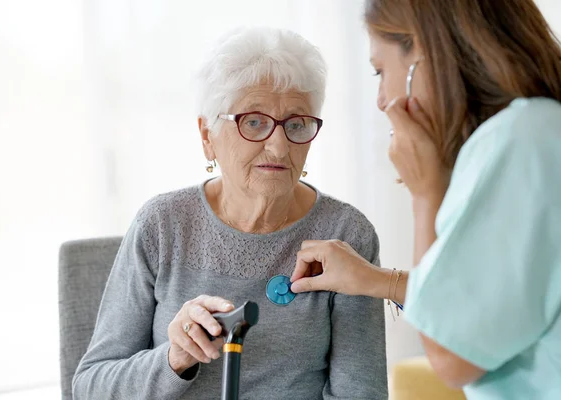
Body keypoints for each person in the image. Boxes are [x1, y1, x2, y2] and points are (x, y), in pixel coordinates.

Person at [72, 27, 388, 399]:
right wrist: (174, 359)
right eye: (253, 121)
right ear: (208, 136)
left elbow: (361, 394)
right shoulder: (161, 226)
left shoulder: (346, 235)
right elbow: (90, 387)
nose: (278, 146)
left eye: (296, 124)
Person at [289, 1, 561, 399]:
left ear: (423, 52)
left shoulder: (519, 140)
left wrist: (426, 195)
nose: (382, 99)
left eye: (380, 71)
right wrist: (378, 281)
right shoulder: (539, 128)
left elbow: (452, 355)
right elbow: (496, 298)